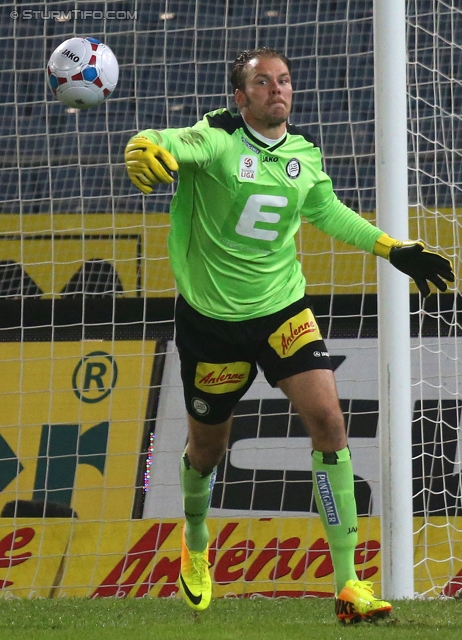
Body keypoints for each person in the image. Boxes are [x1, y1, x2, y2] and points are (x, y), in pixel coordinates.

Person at [124, 47, 454, 623]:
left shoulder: (302, 155)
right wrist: (145, 144)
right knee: (207, 450)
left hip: (283, 311)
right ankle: (197, 543)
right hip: (213, 325)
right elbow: (169, 142)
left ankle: (350, 583)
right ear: (241, 96)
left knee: (329, 421)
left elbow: (330, 213)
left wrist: (395, 249)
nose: (278, 90)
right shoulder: (218, 138)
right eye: (262, 82)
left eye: (284, 81)